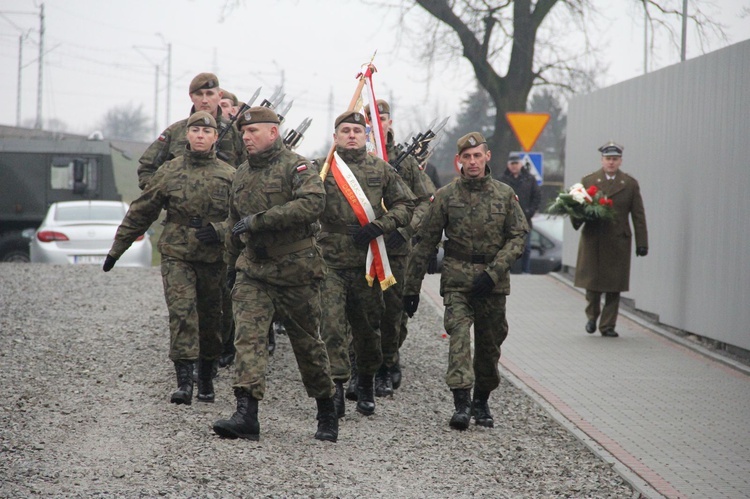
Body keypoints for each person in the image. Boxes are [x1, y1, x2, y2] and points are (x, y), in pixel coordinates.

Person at [212, 107, 338, 442]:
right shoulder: (240, 174)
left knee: (307, 345)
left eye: (253, 132)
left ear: (273, 132)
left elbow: (313, 203)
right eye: (243, 133)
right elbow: (233, 224)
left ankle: (326, 407)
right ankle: (246, 413)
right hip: (253, 270)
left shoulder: (296, 166)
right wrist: (230, 266)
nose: (247, 138)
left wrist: (261, 220)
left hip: (296, 269)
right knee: (248, 338)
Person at [103, 111, 235, 406]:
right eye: (195, 130)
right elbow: (142, 210)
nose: (200, 135)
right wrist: (117, 249)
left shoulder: (230, 175)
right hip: (177, 253)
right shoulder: (169, 171)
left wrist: (220, 231)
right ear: (187, 135)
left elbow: (241, 219)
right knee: (182, 312)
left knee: (213, 320)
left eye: (206, 131)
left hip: (214, 258)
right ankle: (184, 382)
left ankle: (206, 377)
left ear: (215, 137)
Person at [403, 131, 528, 430]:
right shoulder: (446, 196)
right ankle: (461, 403)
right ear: (458, 160)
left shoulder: (504, 195)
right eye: (467, 157)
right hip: (457, 281)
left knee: (489, 344)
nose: (472, 162)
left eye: (477, 156)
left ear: (487, 157)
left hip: (492, 284)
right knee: (458, 339)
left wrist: (494, 271)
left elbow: (518, 235)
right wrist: (411, 288)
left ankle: (481, 401)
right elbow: (425, 242)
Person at [316, 110, 415, 418]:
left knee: (368, 329)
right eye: (345, 130)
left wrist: (383, 225)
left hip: (368, 260)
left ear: (367, 136)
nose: (351, 135)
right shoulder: (323, 169)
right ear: (336, 137)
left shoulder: (381, 169)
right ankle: (336, 390)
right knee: (332, 328)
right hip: (330, 259)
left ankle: (367, 381)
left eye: (357, 130)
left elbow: (407, 204)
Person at [364, 99, 435, 397]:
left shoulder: (403, 160)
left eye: (382, 118)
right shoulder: (354, 157)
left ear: (390, 123)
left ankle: (387, 364)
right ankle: (362, 366)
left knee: (392, 313)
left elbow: (425, 201)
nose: (377, 123)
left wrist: (404, 230)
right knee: (359, 311)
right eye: (371, 118)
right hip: (360, 247)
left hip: (394, 249)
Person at [574, 141, 648, 338]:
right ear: (602, 160)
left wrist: (642, 243)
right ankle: (592, 316)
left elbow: (638, 215)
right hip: (594, 240)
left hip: (618, 242)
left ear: (620, 161)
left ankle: (607, 326)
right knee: (593, 284)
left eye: (615, 159)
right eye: (608, 159)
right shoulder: (589, 181)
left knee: (614, 287)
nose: (611, 163)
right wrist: (579, 217)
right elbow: (577, 209)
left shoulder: (630, 184)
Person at [137, 72, 244, 190]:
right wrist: (165, 194)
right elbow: (147, 169)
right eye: (199, 94)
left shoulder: (235, 132)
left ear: (219, 95)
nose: (204, 100)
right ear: (191, 96)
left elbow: (249, 171)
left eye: (209, 94)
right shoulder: (175, 132)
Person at [500, 153, 541, 274]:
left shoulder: (530, 179)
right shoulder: (502, 179)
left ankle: (525, 271)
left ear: (521, 164)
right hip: (507, 219)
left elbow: (537, 197)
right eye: (512, 164)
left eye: (516, 164)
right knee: (507, 247)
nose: (514, 166)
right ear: (508, 165)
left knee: (526, 247)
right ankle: (508, 270)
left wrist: (530, 211)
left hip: (525, 218)